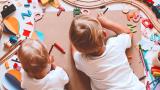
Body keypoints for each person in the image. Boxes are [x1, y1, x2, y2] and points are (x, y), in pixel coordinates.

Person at [69, 14, 145, 90]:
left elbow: (74, 50)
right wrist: (107, 23)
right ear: (104, 34)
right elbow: (128, 33)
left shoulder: (83, 62)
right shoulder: (115, 44)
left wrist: (75, 38)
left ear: (80, 49)